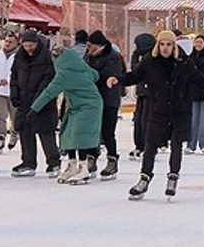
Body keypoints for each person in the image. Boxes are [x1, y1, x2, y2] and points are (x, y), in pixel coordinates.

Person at [112, 29, 204, 199]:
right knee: (151, 144)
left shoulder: (184, 63)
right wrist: (118, 79)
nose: (165, 48)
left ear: (174, 46)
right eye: (162, 44)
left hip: (180, 110)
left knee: (176, 145)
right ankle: (144, 178)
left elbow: (201, 80)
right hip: (158, 110)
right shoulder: (150, 62)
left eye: (168, 44)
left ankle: (173, 177)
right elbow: (134, 76)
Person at [29, 47, 104, 184]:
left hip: (89, 106)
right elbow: (95, 75)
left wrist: (34, 110)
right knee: (67, 132)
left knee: (80, 135)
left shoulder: (64, 73)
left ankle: (83, 168)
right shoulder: (81, 66)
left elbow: (49, 93)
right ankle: (71, 165)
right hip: (78, 106)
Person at [10, 30, 62, 177]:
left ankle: (54, 163)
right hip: (24, 101)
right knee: (25, 132)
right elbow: (14, 76)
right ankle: (28, 162)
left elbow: (48, 81)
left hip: (43, 103)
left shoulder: (46, 57)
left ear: (37, 43)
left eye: (31, 45)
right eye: (25, 46)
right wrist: (14, 94)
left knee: (46, 132)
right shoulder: (19, 57)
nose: (28, 49)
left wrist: (38, 102)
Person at [85, 30, 126, 178]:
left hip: (109, 99)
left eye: (91, 46)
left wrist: (89, 74)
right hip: (92, 99)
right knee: (92, 131)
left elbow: (107, 75)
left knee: (108, 132)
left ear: (100, 46)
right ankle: (91, 158)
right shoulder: (88, 55)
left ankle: (112, 160)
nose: (89, 48)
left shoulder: (113, 57)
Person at [127, 31, 156, 158]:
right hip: (141, 92)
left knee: (146, 120)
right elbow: (135, 71)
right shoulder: (139, 55)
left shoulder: (152, 56)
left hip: (151, 93)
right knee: (138, 120)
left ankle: (147, 146)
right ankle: (139, 145)